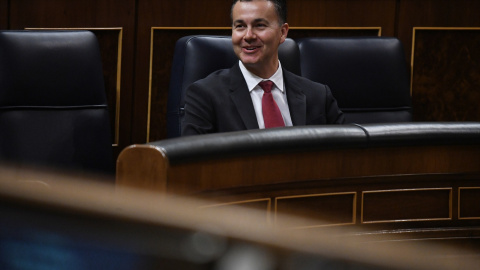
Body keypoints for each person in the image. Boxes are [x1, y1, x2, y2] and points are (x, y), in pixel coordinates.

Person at [181, 0, 344, 136]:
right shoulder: (204, 96)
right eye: (240, 26)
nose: (248, 36)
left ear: (282, 32)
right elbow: (193, 167)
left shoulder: (318, 96)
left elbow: (347, 155)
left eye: (259, 25)